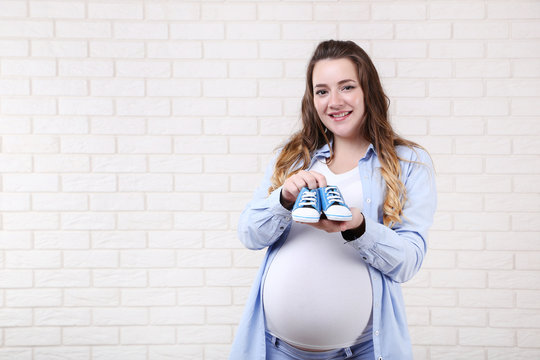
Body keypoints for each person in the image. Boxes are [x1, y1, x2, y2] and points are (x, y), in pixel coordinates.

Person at [229, 40, 437, 360]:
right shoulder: (293, 157)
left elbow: (408, 261)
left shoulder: (408, 163)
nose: (334, 101)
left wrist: (358, 227)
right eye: (322, 91)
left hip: (363, 350)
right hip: (276, 348)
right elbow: (249, 234)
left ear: (369, 90)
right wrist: (284, 198)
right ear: (311, 99)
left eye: (347, 87)